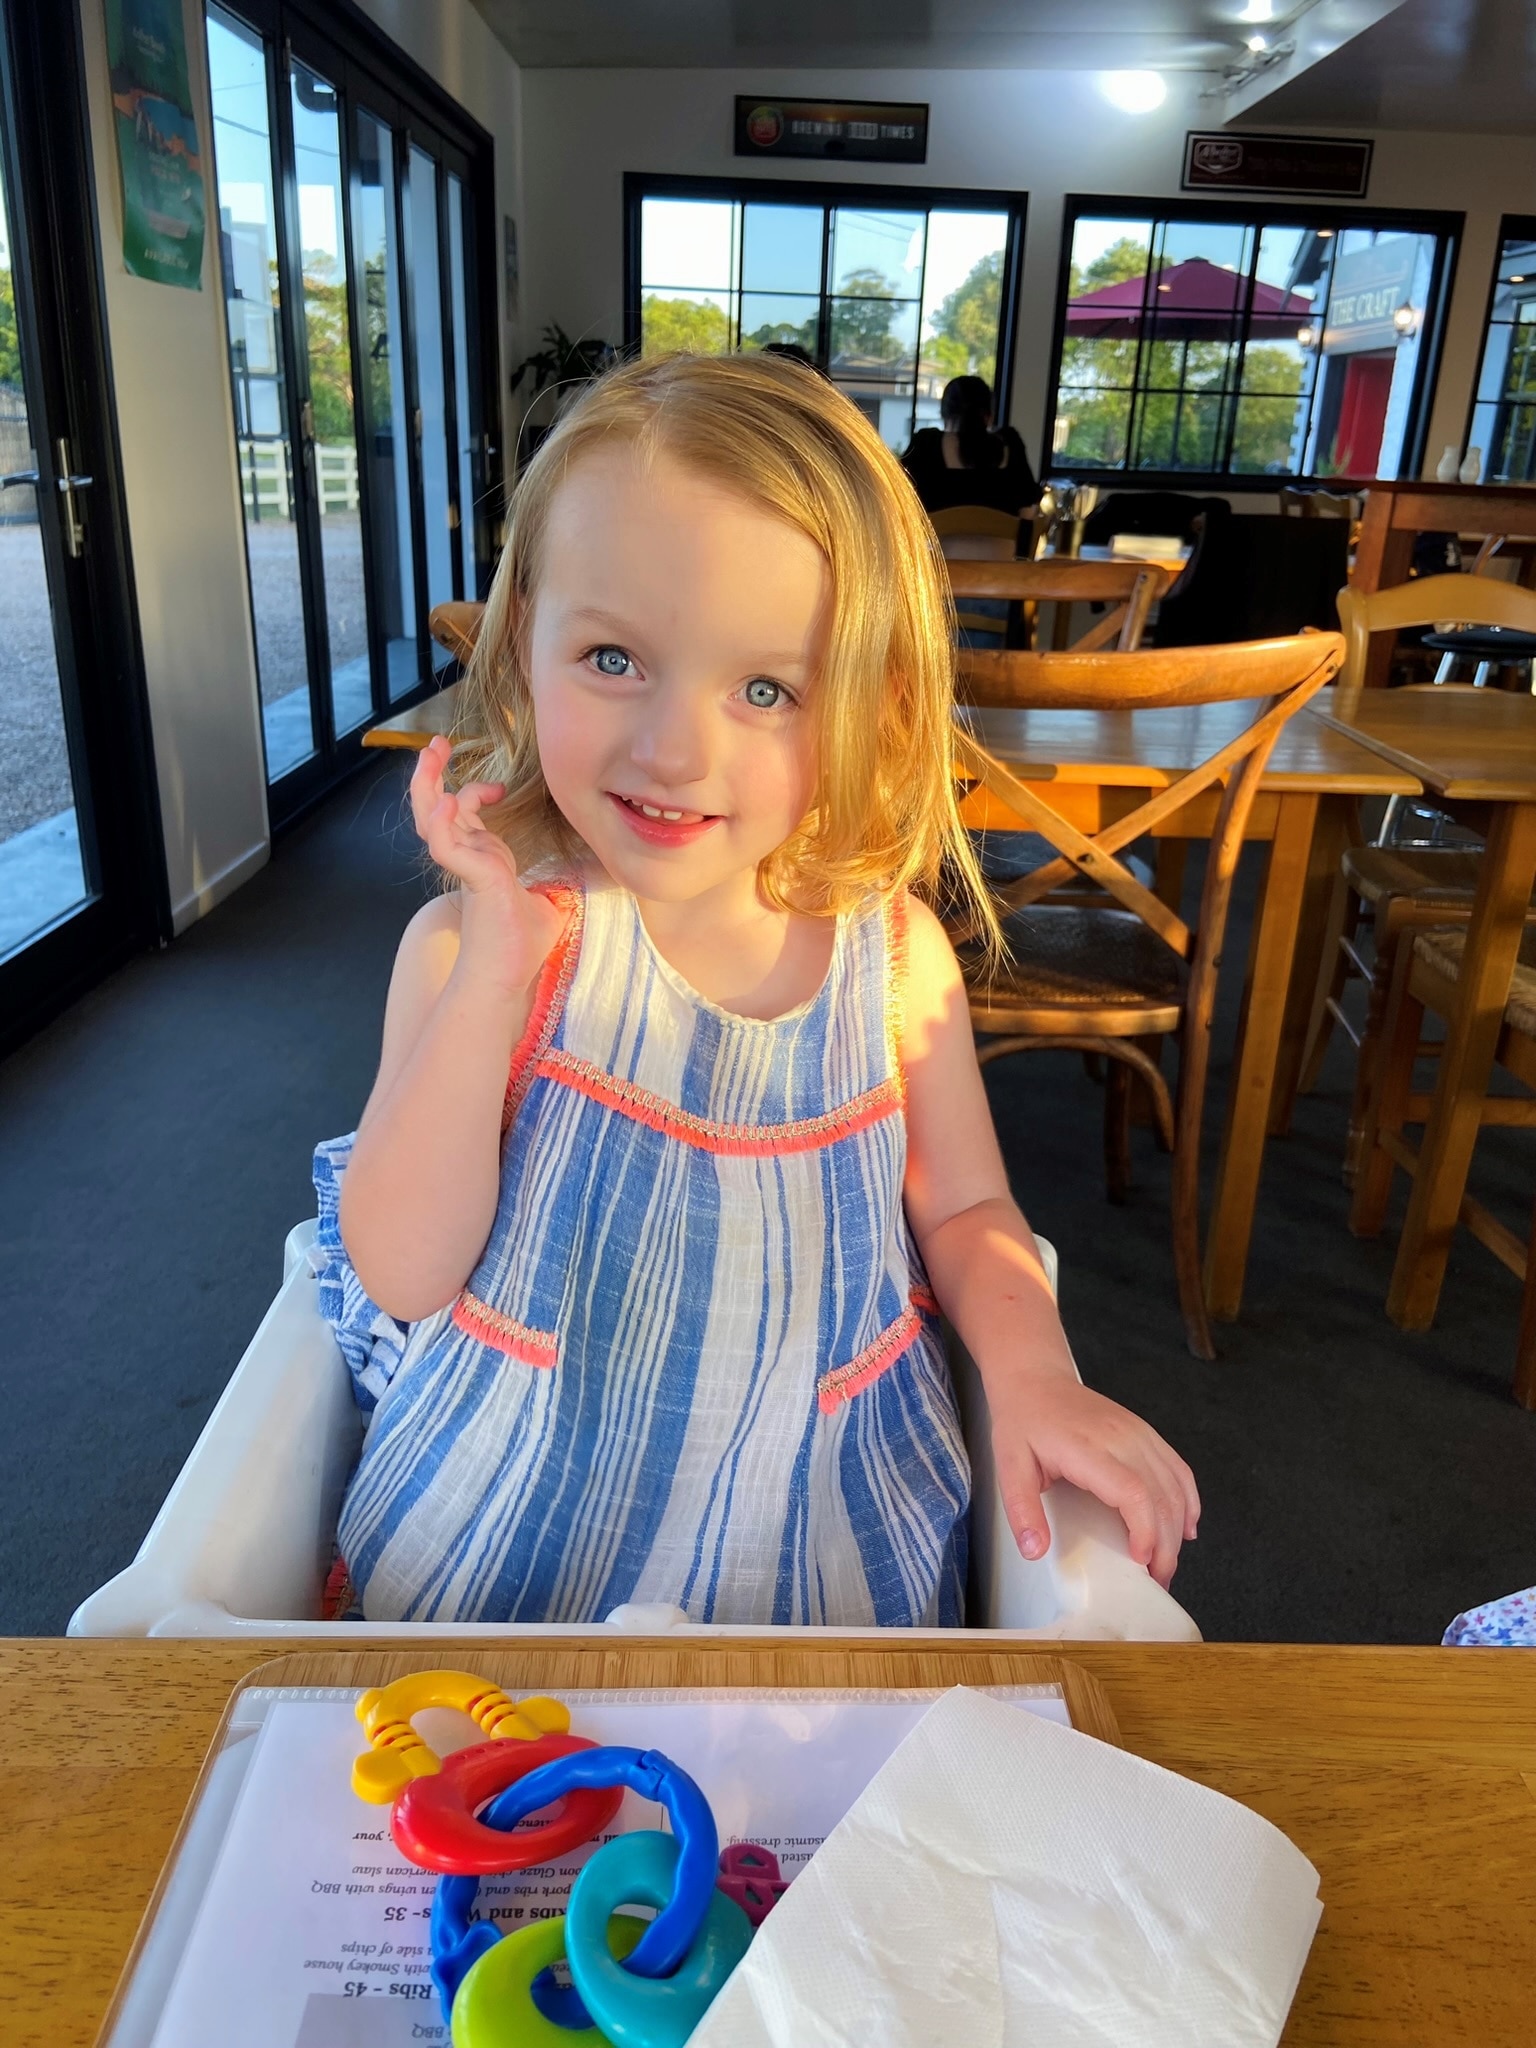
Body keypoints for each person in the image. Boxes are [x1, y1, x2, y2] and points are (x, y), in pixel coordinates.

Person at [315, 351, 1198, 1626]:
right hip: (503, 1554)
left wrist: (1039, 1374)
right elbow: (399, 1269)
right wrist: (494, 972)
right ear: (523, 645)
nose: (676, 748)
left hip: (821, 1546)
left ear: (872, 712)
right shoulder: (475, 948)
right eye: (612, 657)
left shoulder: (894, 959)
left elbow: (967, 1210)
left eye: (768, 688)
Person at [902, 374, 1041, 517]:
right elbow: (1028, 510)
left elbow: (896, 496)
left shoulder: (926, 444)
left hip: (939, 540)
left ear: (944, 414)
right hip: (1001, 540)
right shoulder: (1011, 444)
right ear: (989, 416)